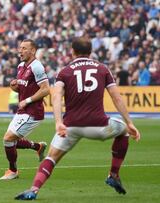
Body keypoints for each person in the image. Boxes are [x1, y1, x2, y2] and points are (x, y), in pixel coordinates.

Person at [15, 37, 141, 200]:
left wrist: (59, 122)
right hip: (99, 126)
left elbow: (56, 97)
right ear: (90, 52)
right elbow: (117, 98)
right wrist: (130, 123)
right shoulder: (103, 69)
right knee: (123, 130)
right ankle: (113, 174)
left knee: (51, 158)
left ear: (72, 52)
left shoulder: (64, 72)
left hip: (70, 127)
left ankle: (34, 189)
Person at [0, 39, 49, 180]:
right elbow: (22, 88)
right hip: (23, 111)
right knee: (10, 140)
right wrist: (13, 86)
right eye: (20, 48)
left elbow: (46, 89)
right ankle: (37, 147)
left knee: (8, 139)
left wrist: (27, 100)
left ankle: (12, 171)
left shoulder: (37, 66)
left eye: (24, 48)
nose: (20, 51)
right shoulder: (21, 66)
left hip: (33, 111)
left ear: (33, 51)